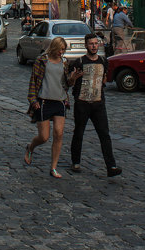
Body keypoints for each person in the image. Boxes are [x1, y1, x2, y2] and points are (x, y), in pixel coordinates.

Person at [69, 33, 122, 178]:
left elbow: (104, 78)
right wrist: (74, 78)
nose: (94, 46)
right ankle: (75, 161)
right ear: (86, 45)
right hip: (82, 103)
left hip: (98, 103)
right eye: (91, 44)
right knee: (79, 133)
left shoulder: (103, 61)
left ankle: (111, 165)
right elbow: (70, 82)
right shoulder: (79, 62)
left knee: (104, 134)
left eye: (95, 43)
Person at [24, 37, 71, 178]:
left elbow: (66, 84)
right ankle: (30, 147)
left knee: (59, 134)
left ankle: (53, 167)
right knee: (44, 137)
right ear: (54, 48)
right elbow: (33, 81)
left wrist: (73, 79)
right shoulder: (41, 61)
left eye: (63, 50)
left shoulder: (64, 62)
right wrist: (33, 100)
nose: (61, 52)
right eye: (59, 49)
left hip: (60, 101)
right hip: (44, 102)